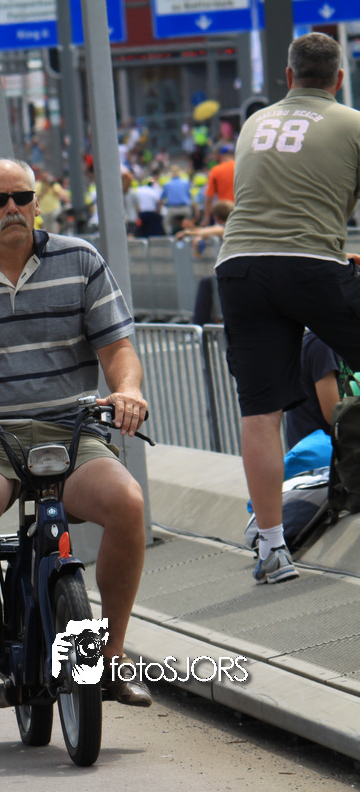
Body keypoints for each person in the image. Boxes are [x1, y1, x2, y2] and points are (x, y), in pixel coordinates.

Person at [0, 157, 153, 708]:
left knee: (128, 504)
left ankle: (112, 654)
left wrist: (127, 391)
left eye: (21, 197)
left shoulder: (80, 261)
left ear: (38, 204)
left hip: (71, 428)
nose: (11, 208)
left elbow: (118, 349)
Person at [216, 32, 360, 584]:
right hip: (311, 264)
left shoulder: (256, 123)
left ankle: (273, 549)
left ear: (288, 76)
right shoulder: (352, 123)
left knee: (260, 411)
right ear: (339, 79)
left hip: (241, 266)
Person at [203, 142, 235, 225]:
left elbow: (209, 197)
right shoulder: (241, 167)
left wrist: (207, 217)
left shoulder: (216, 170)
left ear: (221, 156)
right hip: (240, 208)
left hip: (223, 212)